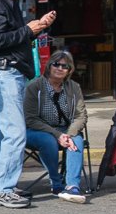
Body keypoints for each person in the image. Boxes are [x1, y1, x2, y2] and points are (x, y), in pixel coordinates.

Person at [0, 0, 57, 209]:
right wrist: (28, 30)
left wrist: (37, 27)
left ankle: (0, 185)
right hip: (4, 73)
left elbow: (7, 37)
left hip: (8, 73)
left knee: (6, 133)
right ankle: (3, 189)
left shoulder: (6, 2)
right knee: (15, 134)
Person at [24, 50, 89, 203]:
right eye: (56, 64)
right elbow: (30, 119)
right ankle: (56, 182)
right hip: (37, 130)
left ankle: (72, 186)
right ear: (49, 66)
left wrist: (70, 133)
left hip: (65, 130)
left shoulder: (74, 87)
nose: (60, 68)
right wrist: (56, 135)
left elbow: (81, 116)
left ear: (69, 70)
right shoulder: (34, 87)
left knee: (77, 140)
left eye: (65, 66)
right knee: (48, 141)